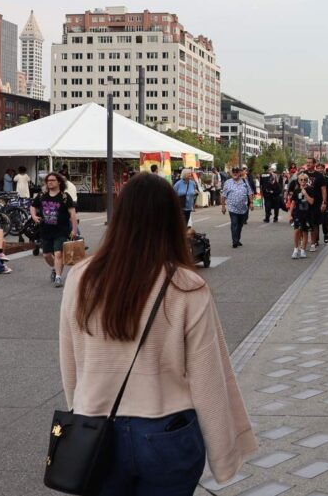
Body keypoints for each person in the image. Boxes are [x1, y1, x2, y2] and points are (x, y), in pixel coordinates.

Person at [60, 173, 256, 494]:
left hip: (97, 424)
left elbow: (70, 361)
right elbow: (207, 377)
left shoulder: (81, 277)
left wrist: (81, 412)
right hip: (167, 430)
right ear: (171, 220)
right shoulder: (186, 285)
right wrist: (224, 453)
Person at [31, 172, 79, 288]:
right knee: (47, 255)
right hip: (45, 230)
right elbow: (33, 206)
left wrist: (74, 230)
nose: (50, 182)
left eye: (52, 180)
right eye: (48, 181)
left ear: (59, 182)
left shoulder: (65, 196)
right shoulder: (42, 195)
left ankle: (58, 277)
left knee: (58, 253)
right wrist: (33, 216)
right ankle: (54, 268)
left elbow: (72, 214)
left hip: (61, 230)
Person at [221, 167, 253, 248]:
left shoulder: (245, 181)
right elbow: (224, 195)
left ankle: (237, 239)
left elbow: (249, 193)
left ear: (240, 173)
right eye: (233, 172)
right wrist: (223, 206)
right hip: (232, 207)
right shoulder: (228, 182)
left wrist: (251, 203)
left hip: (243, 208)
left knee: (240, 225)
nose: (235, 173)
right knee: (234, 223)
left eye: (237, 172)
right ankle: (234, 241)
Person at [288, 173, 315, 259]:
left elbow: (311, 202)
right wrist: (290, 214)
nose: (303, 181)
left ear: (307, 181)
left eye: (305, 180)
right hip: (298, 214)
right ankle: (295, 250)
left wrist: (305, 194)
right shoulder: (296, 191)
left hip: (307, 214)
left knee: (305, 232)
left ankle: (303, 250)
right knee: (296, 231)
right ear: (298, 181)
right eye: (301, 180)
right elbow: (293, 203)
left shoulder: (310, 189)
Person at [305, 159, 328, 250]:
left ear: (314, 164)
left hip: (316, 202)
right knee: (304, 222)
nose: (308, 164)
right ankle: (304, 242)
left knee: (314, 223)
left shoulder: (319, 176)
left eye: (310, 163)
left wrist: (324, 202)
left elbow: (323, 190)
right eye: (307, 162)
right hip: (304, 202)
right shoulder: (303, 174)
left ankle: (314, 243)